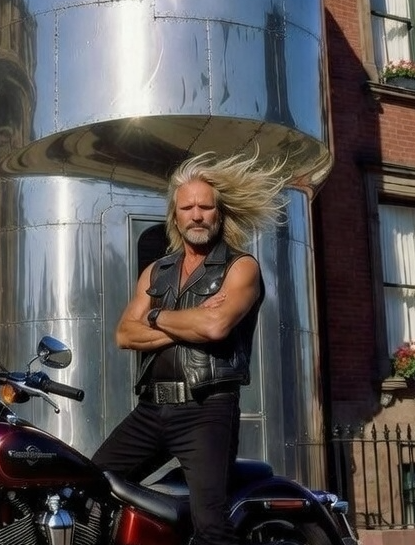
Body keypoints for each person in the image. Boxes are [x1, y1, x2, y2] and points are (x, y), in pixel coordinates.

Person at [91, 148, 288, 545]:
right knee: (91, 484)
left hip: (207, 408)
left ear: (219, 213)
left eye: (205, 207)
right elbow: (124, 334)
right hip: (151, 409)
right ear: (175, 215)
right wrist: (184, 320)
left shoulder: (240, 267)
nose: (196, 215)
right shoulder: (157, 270)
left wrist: (153, 317)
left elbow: (215, 327)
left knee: (210, 523)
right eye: (187, 208)